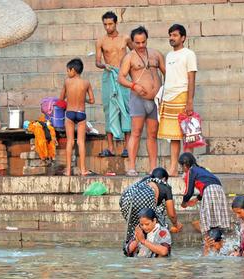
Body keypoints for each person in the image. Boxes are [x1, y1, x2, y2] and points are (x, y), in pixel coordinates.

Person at [118, 26, 166, 177]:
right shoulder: (129, 57)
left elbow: (166, 73)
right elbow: (120, 78)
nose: (140, 45)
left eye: (143, 42)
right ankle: (131, 167)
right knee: (136, 133)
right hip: (138, 98)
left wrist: (165, 91)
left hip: (155, 99)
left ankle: (153, 168)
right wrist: (134, 86)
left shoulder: (156, 54)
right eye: (137, 43)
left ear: (147, 40)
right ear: (132, 42)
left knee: (152, 134)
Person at [157, 24, 198, 177]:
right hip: (168, 97)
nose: (171, 38)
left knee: (187, 136)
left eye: (174, 35)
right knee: (173, 136)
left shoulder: (189, 54)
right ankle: (173, 168)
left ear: (183, 38)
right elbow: (167, 77)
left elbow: (191, 78)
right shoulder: (169, 55)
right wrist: (163, 96)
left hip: (182, 95)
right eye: (170, 35)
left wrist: (190, 101)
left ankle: (188, 170)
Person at [95, 11, 132, 158]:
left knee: (126, 110)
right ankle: (110, 148)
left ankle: (127, 148)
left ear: (116, 23)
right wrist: (104, 66)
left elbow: (135, 54)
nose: (108, 27)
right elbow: (97, 62)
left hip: (123, 76)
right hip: (108, 75)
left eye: (110, 24)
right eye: (105, 24)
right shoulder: (100, 41)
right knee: (109, 110)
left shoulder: (125, 38)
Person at [120, 167, 182, 244]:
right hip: (142, 201)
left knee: (137, 227)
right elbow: (172, 214)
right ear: (164, 179)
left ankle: (132, 246)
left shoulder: (144, 182)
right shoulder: (165, 186)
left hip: (126, 201)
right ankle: (154, 246)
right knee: (156, 225)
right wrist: (176, 224)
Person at [179, 153, 230, 237]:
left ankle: (210, 241)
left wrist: (184, 202)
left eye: (181, 166)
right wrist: (196, 199)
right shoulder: (202, 169)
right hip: (219, 189)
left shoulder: (191, 171)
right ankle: (218, 239)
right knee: (216, 219)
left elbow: (189, 191)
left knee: (207, 220)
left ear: (184, 165)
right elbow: (207, 184)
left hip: (209, 190)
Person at [59, 58, 95, 176]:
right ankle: (83, 169)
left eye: (68, 70)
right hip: (81, 114)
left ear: (73, 70)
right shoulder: (86, 83)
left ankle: (68, 170)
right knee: (81, 142)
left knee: (70, 141)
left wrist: (70, 97)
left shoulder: (67, 82)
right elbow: (92, 100)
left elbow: (61, 99)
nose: (67, 73)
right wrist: (82, 99)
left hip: (69, 114)